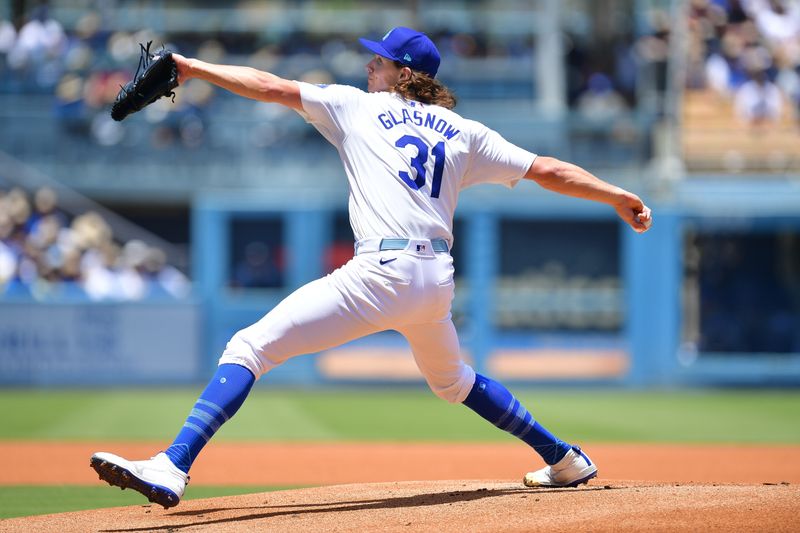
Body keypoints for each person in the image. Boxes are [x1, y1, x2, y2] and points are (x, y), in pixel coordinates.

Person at [90, 27, 653, 508]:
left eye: (379, 60)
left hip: (381, 272)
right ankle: (563, 458)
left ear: (404, 75)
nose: (369, 64)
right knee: (454, 382)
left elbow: (269, 86)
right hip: (434, 281)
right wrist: (617, 196)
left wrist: (191, 67)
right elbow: (548, 169)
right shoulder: (465, 132)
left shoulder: (357, 106)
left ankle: (173, 463)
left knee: (250, 346)